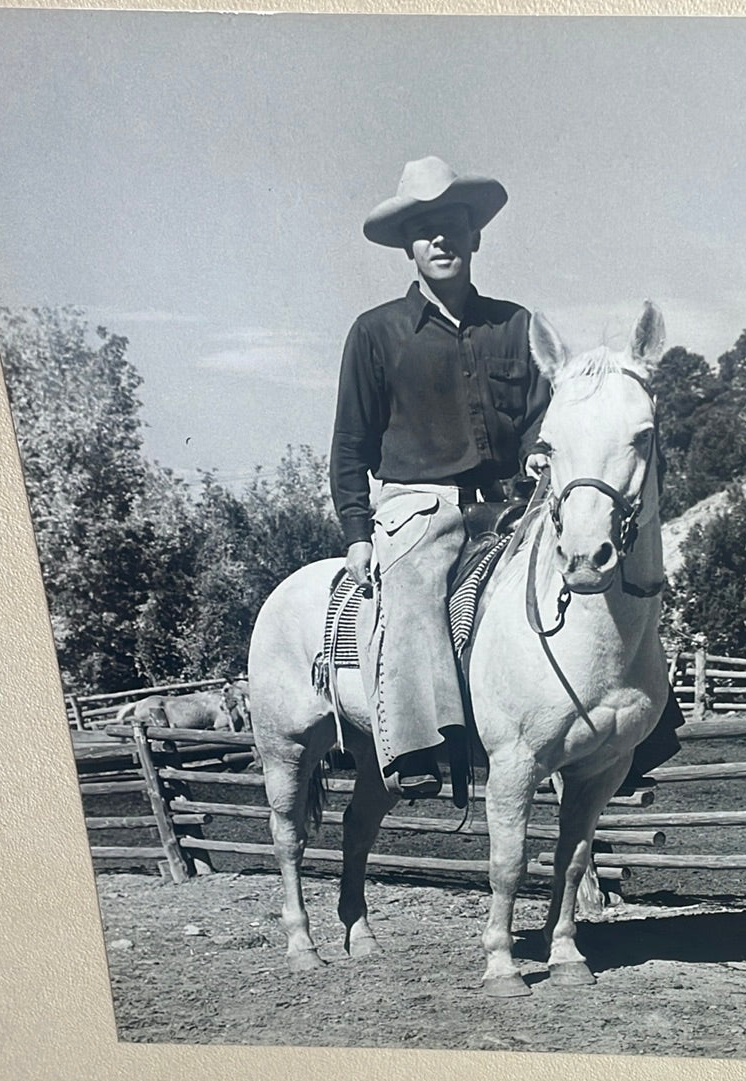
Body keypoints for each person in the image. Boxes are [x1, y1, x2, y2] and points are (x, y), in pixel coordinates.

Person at [330, 156, 551, 799]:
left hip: (512, 503)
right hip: (419, 509)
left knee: (589, 575)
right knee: (418, 592)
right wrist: (356, 532)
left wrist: (540, 451)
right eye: (426, 230)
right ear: (409, 247)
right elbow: (350, 444)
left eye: (454, 225)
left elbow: (542, 414)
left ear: (476, 235)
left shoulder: (515, 324)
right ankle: (422, 747)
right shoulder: (376, 333)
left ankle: (625, 735)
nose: (442, 240)